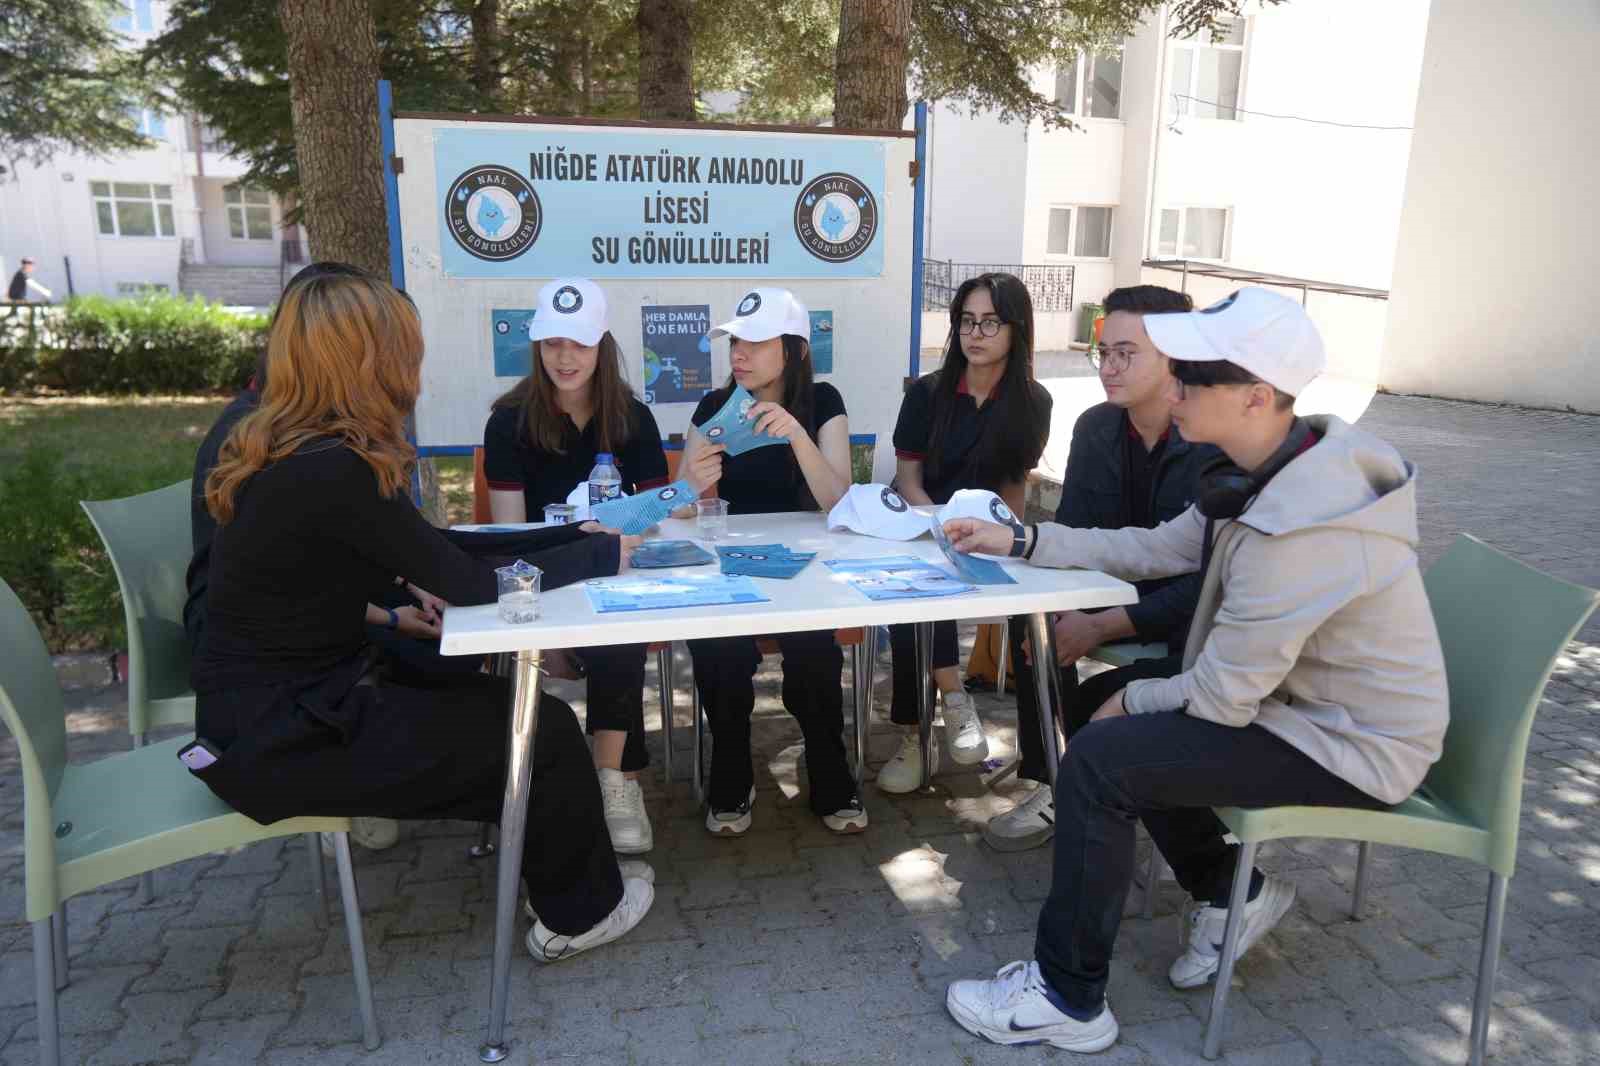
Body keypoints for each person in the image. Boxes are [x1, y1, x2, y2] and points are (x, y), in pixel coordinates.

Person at [941, 288, 1449, 1052]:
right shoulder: (1265, 470)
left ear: (1255, 397)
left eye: (1192, 378)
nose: (1173, 389)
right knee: (1099, 705)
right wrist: (1022, 542)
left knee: (1106, 758)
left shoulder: (1303, 528)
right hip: (1299, 706)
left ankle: (1067, 998)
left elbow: (1220, 698)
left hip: (1352, 746)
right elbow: (1151, 548)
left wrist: (1134, 703)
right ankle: (1228, 890)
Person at [189, 270, 655, 964]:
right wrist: (601, 555)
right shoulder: (332, 466)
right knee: (542, 733)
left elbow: (433, 550)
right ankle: (581, 914)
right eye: (406, 351)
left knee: (496, 698)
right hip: (285, 739)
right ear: (371, 362)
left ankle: (551, 864)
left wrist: (573, 538)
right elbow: (467, 581)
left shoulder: (276, 440)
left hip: (264, 709)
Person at [483, 276, 716, 855]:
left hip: (613, 570)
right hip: (543, 576)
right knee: (598, 631)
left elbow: (654, 512)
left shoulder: (632, 416)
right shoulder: (507, 421)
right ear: (537, 346)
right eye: (553, 342)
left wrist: (686, 491)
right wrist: (551, 630)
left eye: (580, 344)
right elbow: (513, 536)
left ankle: (614, 781)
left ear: (602, 346)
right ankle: (557, 784)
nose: (565, 358)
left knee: (620, 633)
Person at [985, 285, 1218, 852]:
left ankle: (1081, 774)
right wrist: (1060, 606)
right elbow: (1075, 534)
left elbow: (1211, 584)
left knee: (1103, 698)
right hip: (1118, 586)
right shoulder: (1096, 426)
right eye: (1103, 352)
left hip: (1197, 623)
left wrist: (1104, 624)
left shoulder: (1214, 439)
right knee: (1035, 619)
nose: (1108, 368)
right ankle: (1052, 778)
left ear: (1177, 357)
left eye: (1125, 354)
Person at [678, 286, 865, 836]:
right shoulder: (714, 407)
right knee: (717, 647)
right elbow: (678, 507)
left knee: (814, 651)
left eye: (755, 342)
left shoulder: (823, 401)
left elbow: (839, 503)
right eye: (735, 342)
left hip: (805, 566)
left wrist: (798, 437)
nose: (739, 354)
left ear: (795, 350)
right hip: (732, 564)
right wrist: (692, 484)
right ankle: (731, 767)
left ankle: (829, 765)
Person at [879, 272, 1052, 793]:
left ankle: (1041, 763)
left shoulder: (1033, 401)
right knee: (914, 600)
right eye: (967, 322)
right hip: (917, 524)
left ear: (1016, 330)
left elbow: (1013, 487)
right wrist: (939, 529)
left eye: (990, 323)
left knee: (1032, 611)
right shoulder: (927, 393)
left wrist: (1011, 544)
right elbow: (908, 479)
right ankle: (932, 720)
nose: (975, 334)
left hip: (984, 535)